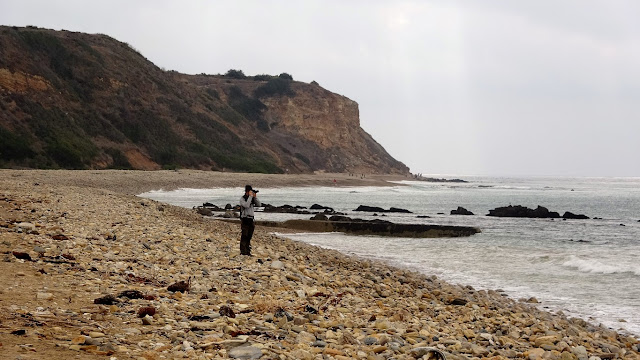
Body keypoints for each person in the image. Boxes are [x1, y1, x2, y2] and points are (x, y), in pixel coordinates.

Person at [239, 185, 261, 256]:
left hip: (251, 219)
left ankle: (247, 251)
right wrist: (250, 197)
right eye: (250, 192)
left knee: (249, 235)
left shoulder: (251, 199)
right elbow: (246, 205)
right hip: (245, 219)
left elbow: (259, 205)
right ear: (246, 192)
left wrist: (255, 197)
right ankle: (243, 251)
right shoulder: (242, 199)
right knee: (244, 235)